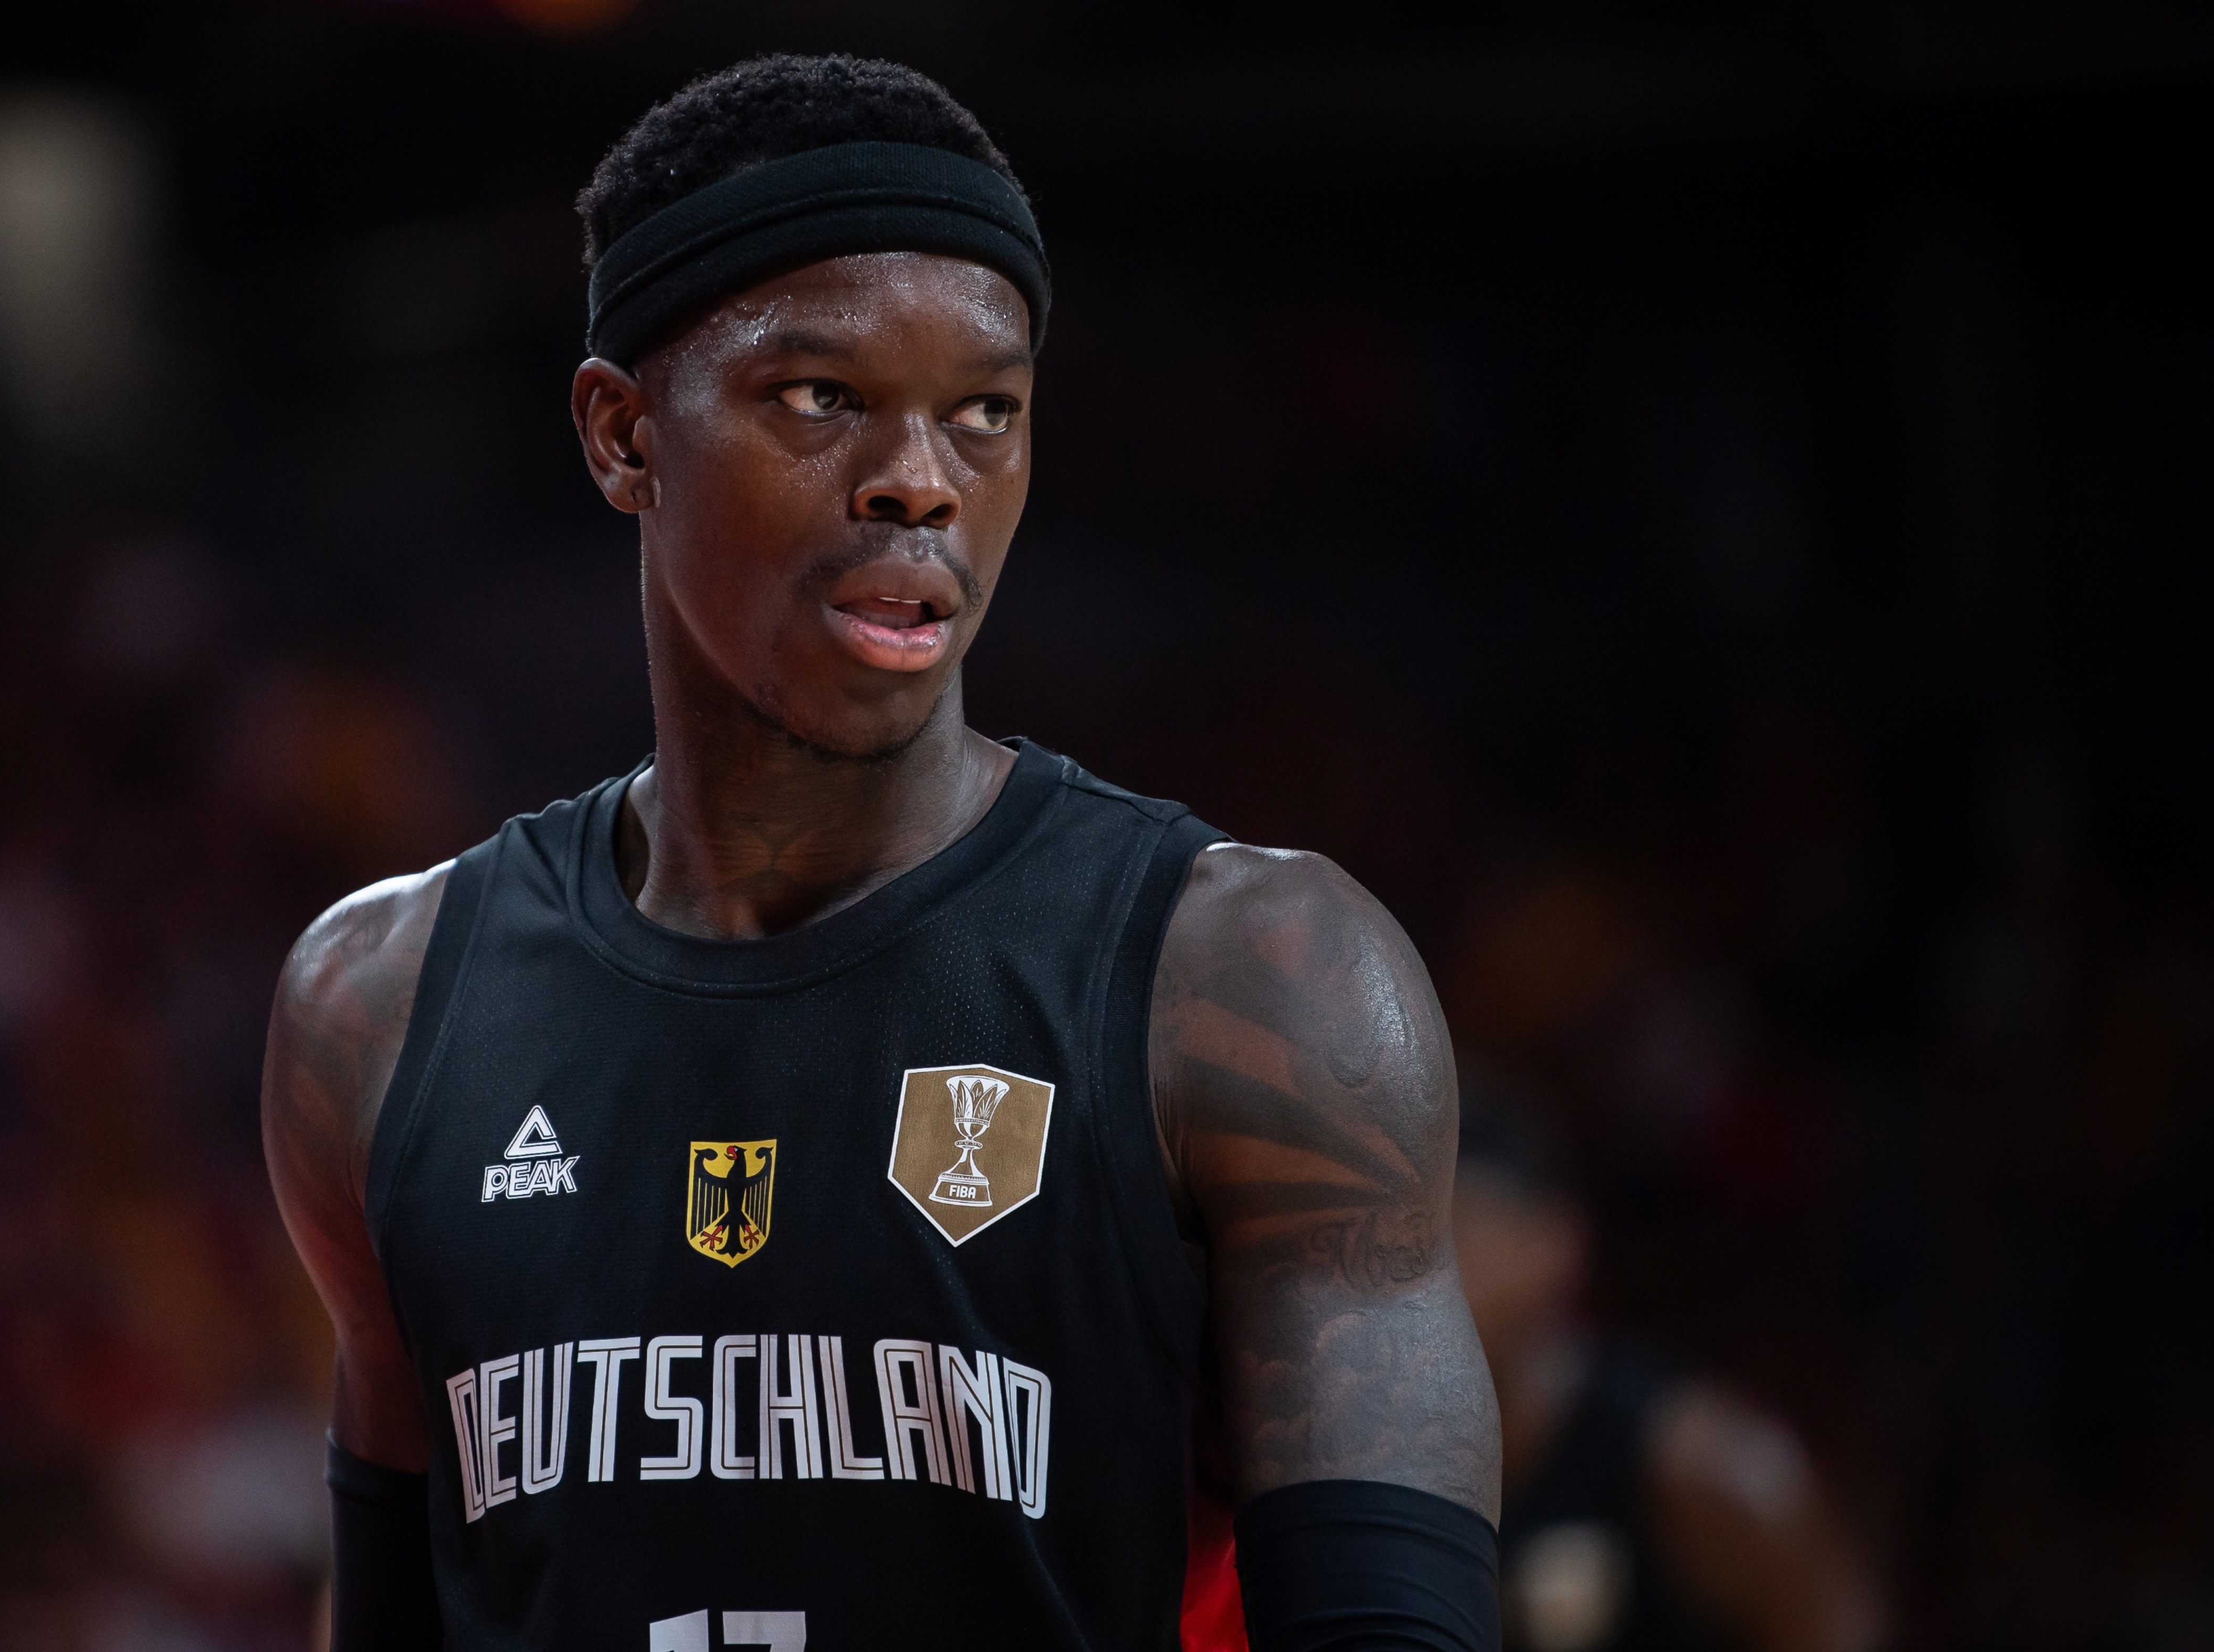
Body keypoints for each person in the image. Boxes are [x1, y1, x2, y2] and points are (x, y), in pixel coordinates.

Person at [264, 55, 1501, 1651]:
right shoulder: (377, 1009)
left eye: (984, 412)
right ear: (623, 436)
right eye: (821, 398)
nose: (920, 478)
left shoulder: (1253, 983)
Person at [1454, 1105, 1884, 1652]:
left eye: (1455, 1237)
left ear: (1555, 1241)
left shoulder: (1708, 1472)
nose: (1418, 1276)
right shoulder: (1371, 1460)